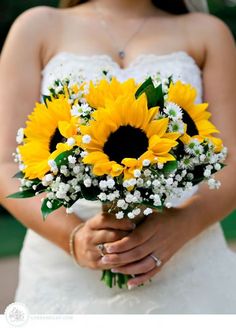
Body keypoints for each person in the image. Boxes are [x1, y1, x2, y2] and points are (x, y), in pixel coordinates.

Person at [0, 0, 235, 314]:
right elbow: (5, 163)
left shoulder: (208, 33)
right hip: (62, 273)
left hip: (187, 263)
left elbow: (230, 161)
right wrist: (73, 237)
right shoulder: (36, 26)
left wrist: (181, 226)